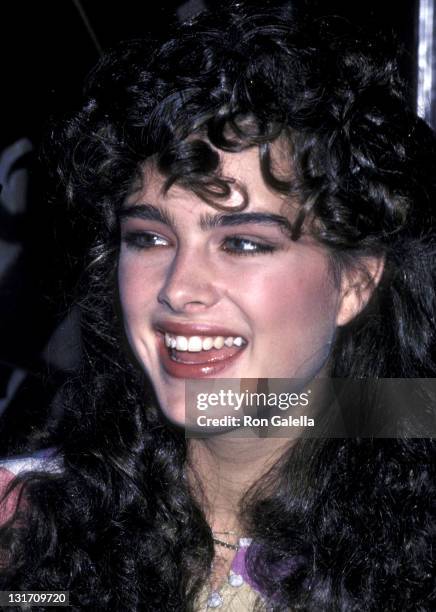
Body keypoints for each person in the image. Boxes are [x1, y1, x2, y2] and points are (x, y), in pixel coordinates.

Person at [1, 3, 436, 610]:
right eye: (149, 237)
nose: (179, 288)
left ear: (356, 282)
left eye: (242, 242)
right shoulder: (21, 527)